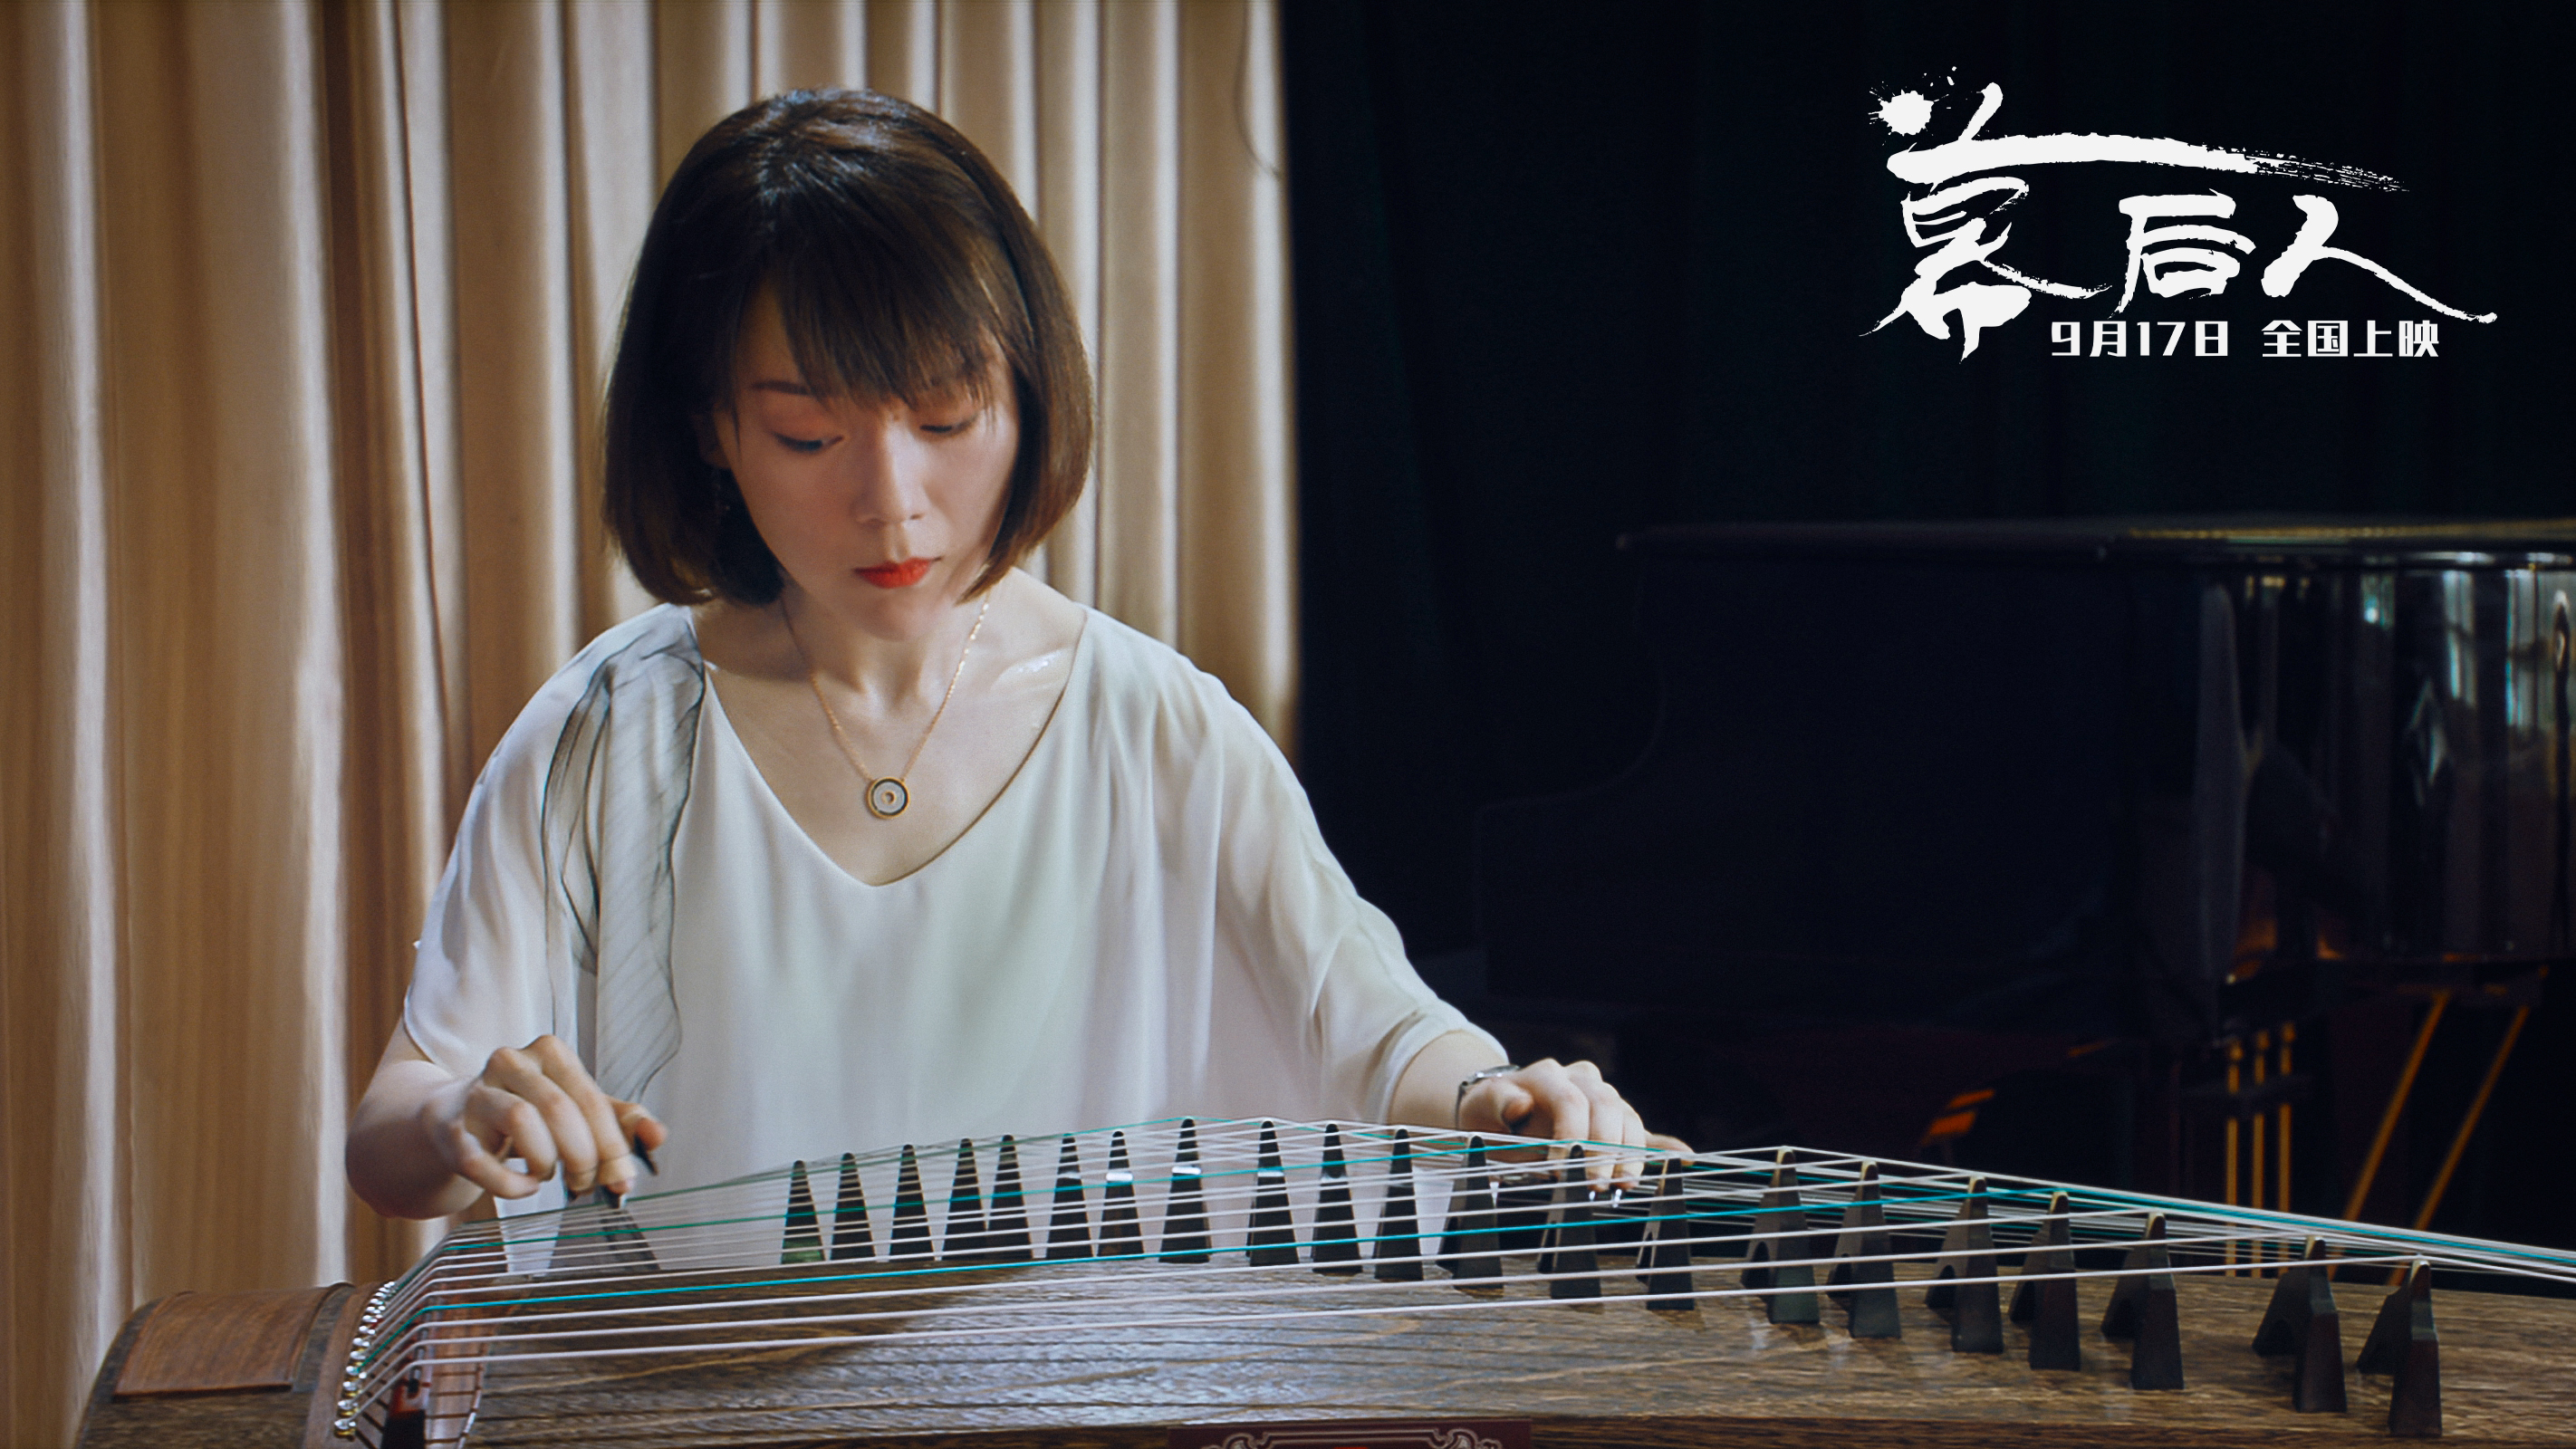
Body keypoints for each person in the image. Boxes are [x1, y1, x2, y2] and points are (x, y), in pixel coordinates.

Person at [346, 89, 1668, 1223]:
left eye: (946, 416)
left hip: (1060, 1396)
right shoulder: (608, 732)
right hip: (693, 1391)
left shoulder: (1155, 726)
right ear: (709, 429)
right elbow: (394, 1126)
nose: (894, 503)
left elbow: (1377, 1035)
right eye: (809, 436)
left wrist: (1508, 1101)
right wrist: (461, 1115)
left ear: (1028, 395)